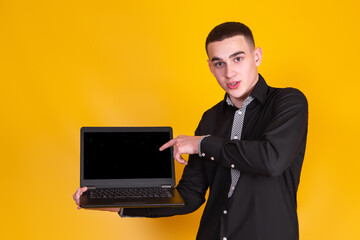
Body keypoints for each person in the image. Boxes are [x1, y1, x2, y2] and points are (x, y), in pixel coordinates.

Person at [73, 22, 308, 240]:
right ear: (210, 67)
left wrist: (202, 144)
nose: (229, 72)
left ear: (256, 57)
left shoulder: (288, 102)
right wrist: (109, 202)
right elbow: (188, 196)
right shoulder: (211, 118)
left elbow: (271, 160)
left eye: (237, 59)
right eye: (219, 63)